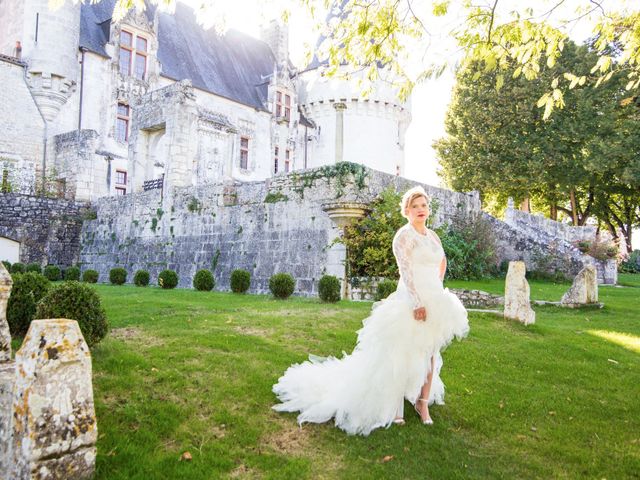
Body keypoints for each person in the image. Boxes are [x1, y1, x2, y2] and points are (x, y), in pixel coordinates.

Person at [272, 186, 469, 435]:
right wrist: (418, 302)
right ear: (407, 211)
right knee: (403, 351)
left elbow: (442, 261)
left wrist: (437, 288)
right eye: (415, 206)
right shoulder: (403, 236)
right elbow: (405, 272)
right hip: (411, 299)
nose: (421, 210)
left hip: (434, 297)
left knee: (430, 350)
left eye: (424, 206)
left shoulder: (433, 236)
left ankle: (422, 404)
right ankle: (396, 406)